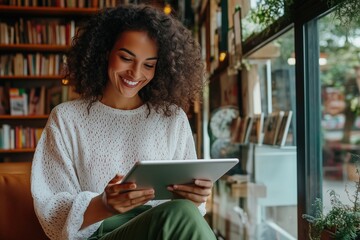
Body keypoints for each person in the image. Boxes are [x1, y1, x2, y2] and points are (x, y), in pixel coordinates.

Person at [31, 4, 217, 240]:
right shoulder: (66, 118)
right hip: (99, 234)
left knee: (181, 210)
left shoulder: (172, 118)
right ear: (105, 51)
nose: (136, 73)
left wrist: (195, 196)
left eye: (149, 64)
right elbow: (51, 209)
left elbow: (190, 213)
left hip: (164, 229)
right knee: (178, 212)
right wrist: (104, 204)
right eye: (126, 58)